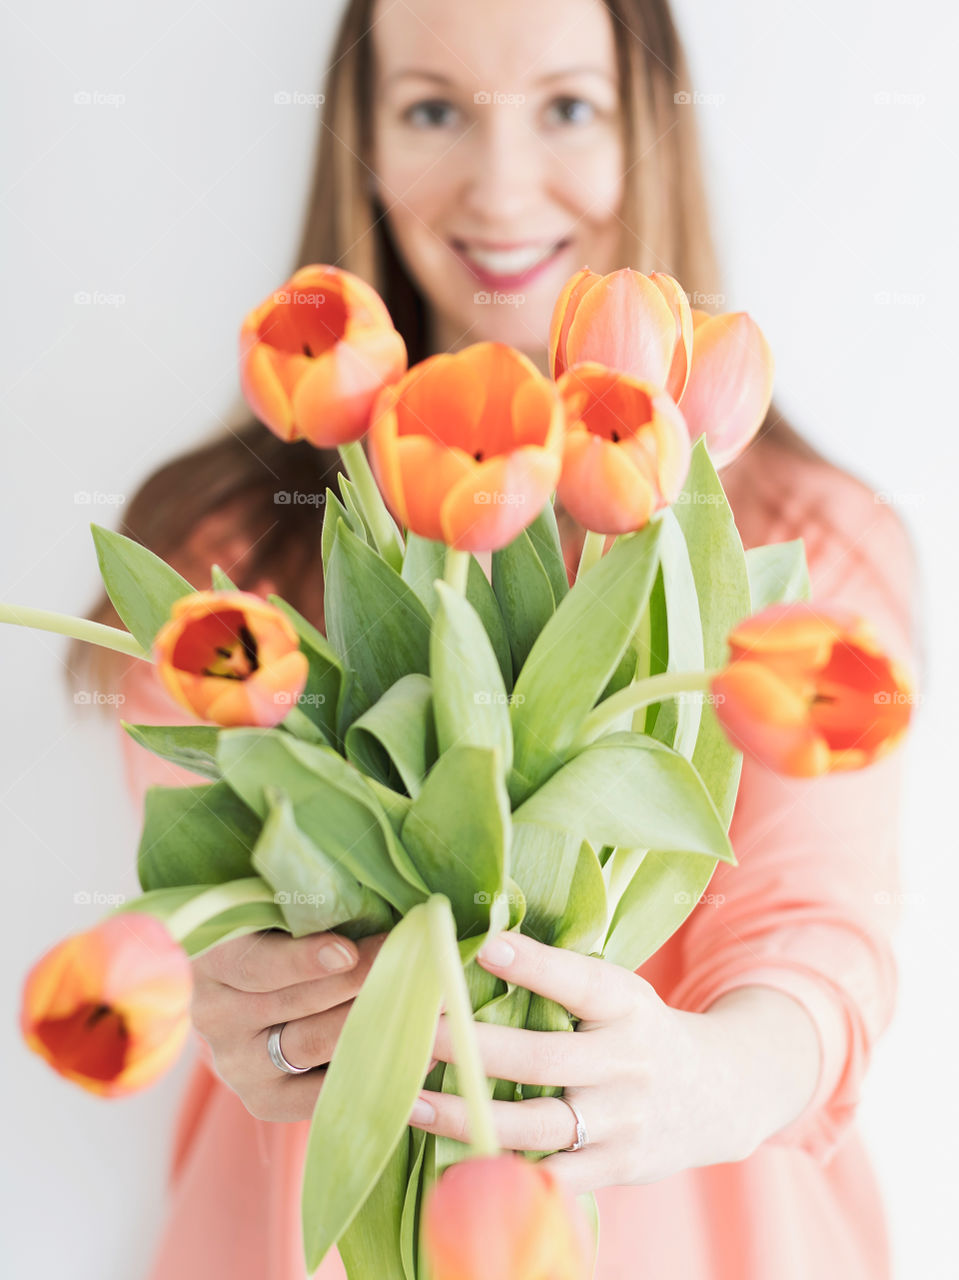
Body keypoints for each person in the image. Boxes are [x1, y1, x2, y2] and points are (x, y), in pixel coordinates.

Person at [70, 0, 923, 1276]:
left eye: (568, 106)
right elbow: (209, 907)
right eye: (430, 109)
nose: (502, 184)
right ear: (355, 142)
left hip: (701, 1238)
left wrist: (712, 1074)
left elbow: (815, 930)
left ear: (651, 132)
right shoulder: (224, 561)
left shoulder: (806, 545)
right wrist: (241, 992)